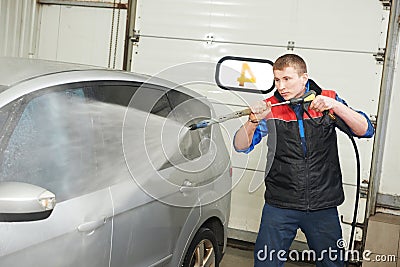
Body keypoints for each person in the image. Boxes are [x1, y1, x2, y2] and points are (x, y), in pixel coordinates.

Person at [233, 54, 374, 267]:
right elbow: (240, 145)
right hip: (280, 204)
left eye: (287, 79)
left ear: (304, 77)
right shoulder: (270, 107)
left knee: (332, 264)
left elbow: (365, 130)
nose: (281, 86)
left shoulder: (327, 99)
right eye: (277, 80)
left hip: (322, 205)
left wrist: (335, 105)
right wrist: (253, 121)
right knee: (265, 264)